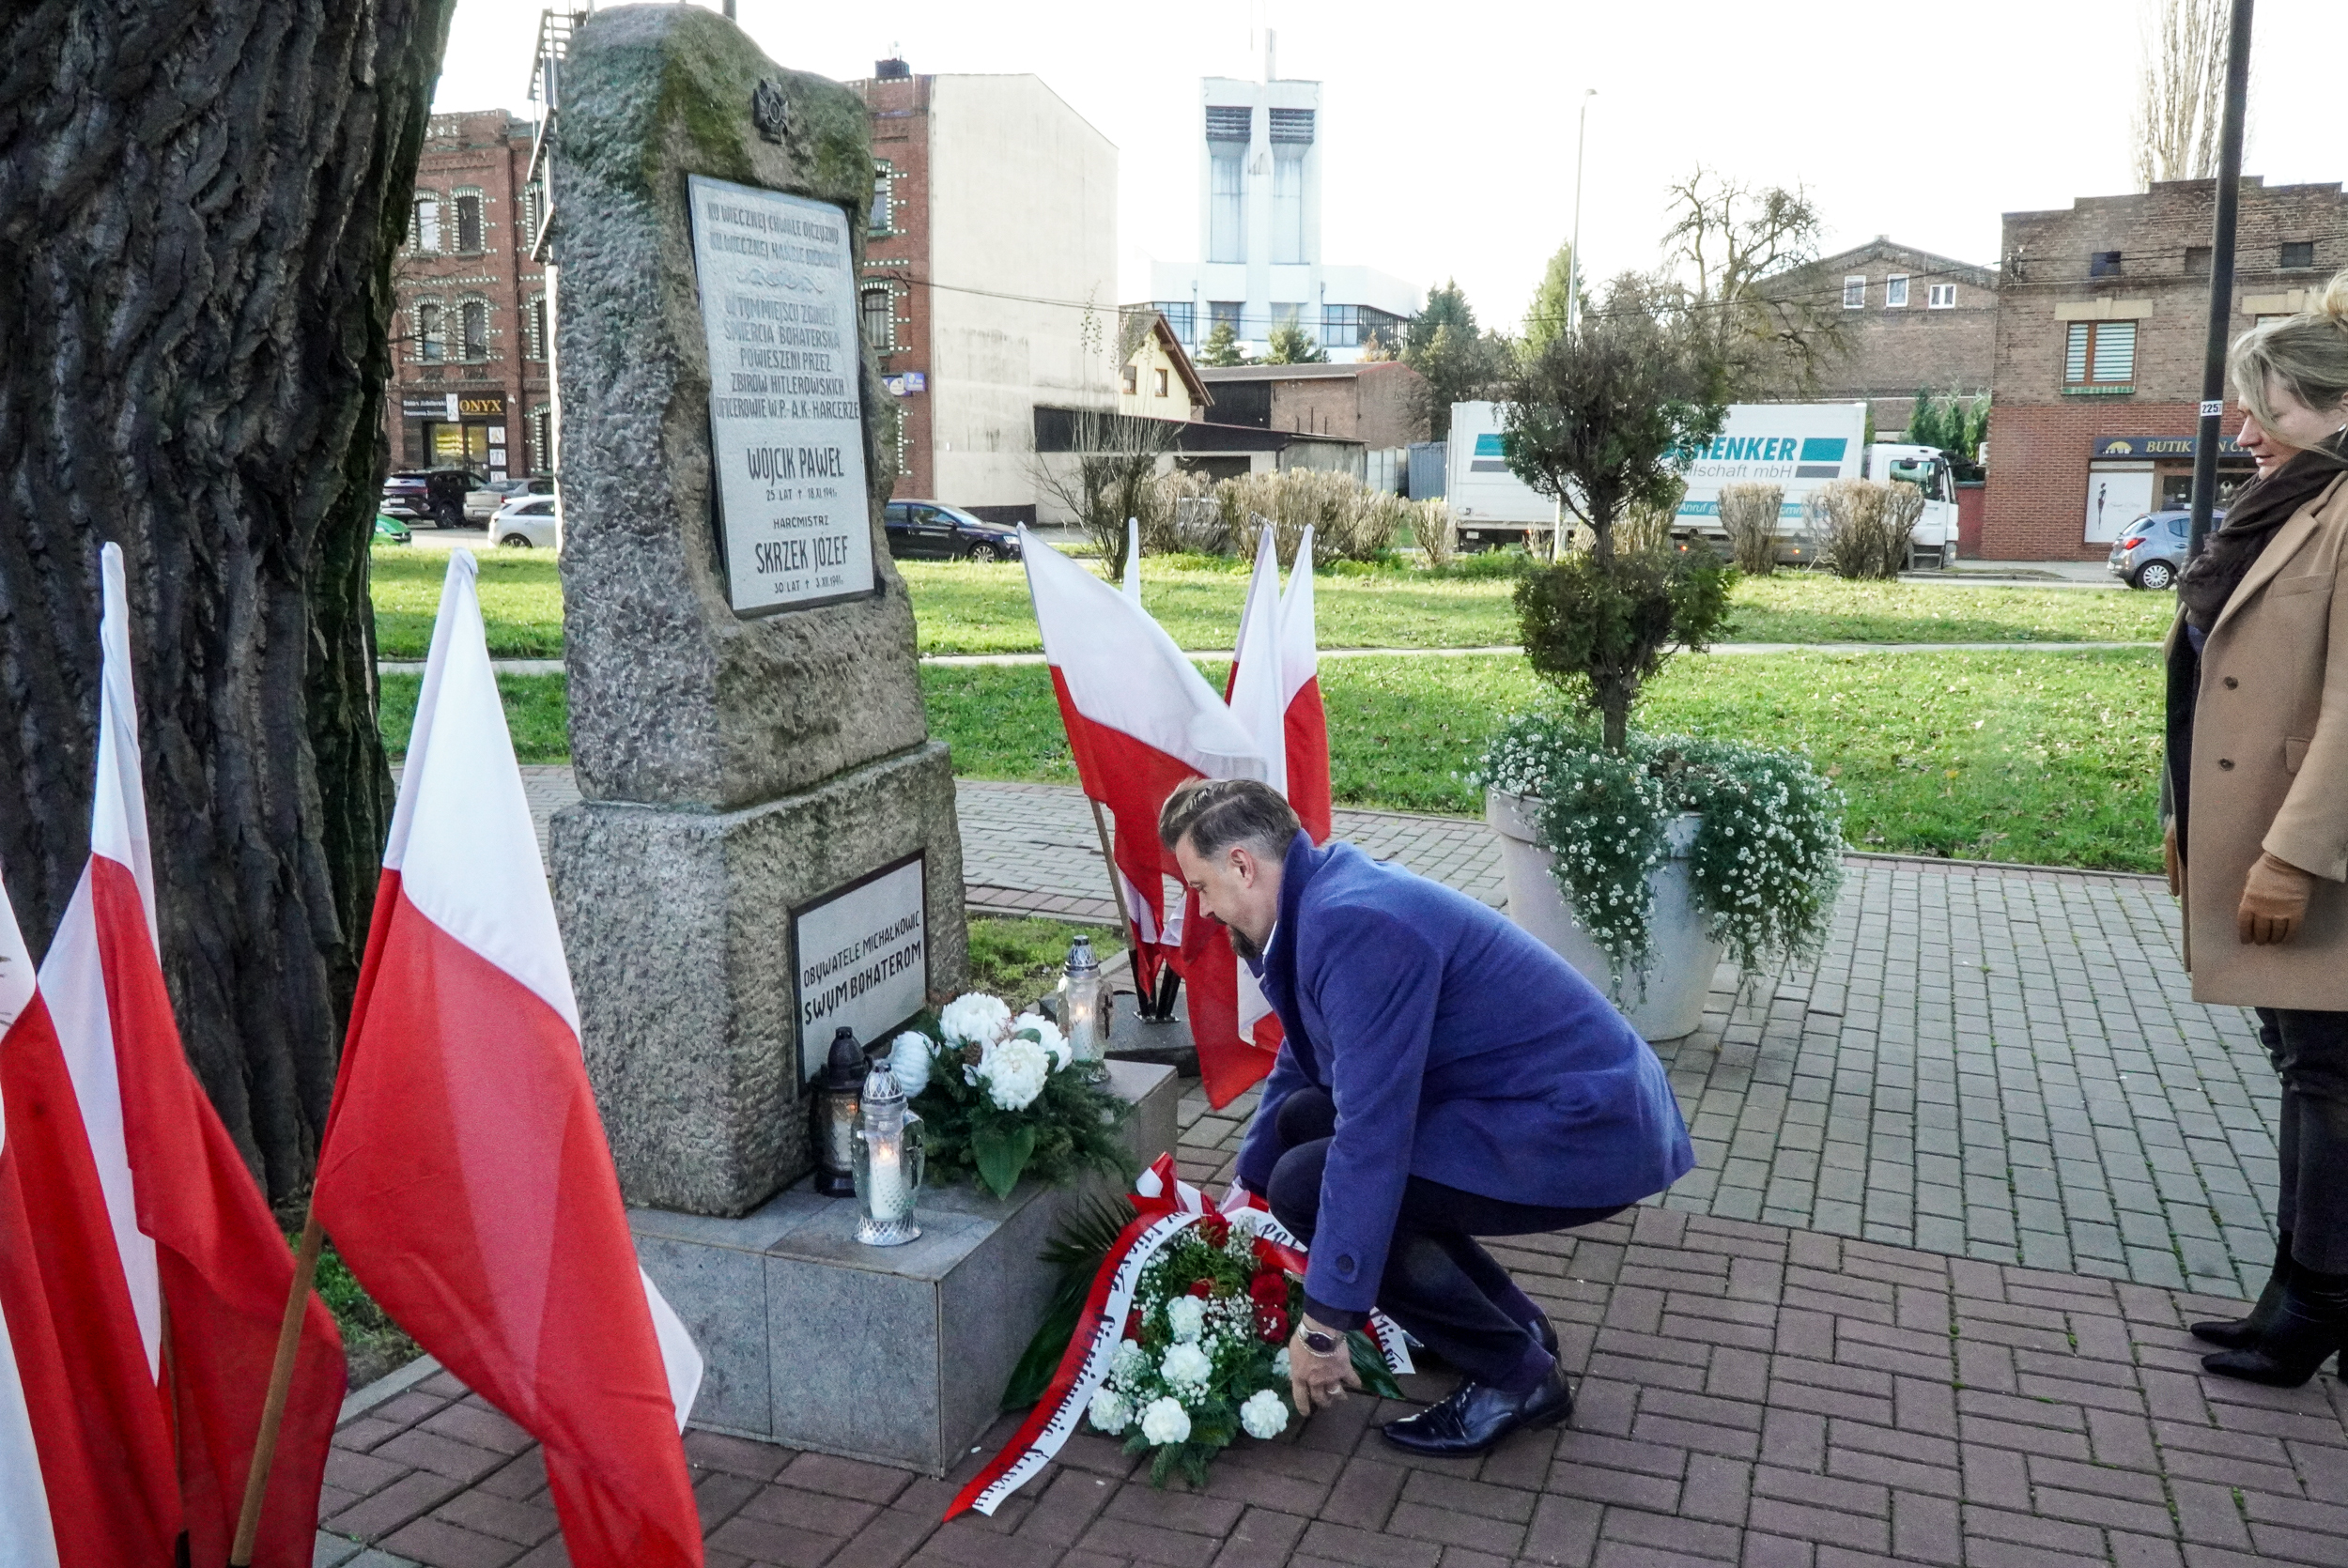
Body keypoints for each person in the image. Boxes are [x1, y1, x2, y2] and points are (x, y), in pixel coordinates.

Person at [1160, 776, 1692, 1455]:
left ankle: (1518, 1376)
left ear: (1242, 864)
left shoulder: (1353, 926)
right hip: (1539, 1104)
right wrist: (1247, 1185)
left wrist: (1324, 1327)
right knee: (1300, 1128)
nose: (1202, 910)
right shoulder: (1323, 899)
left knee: (1310, 1185)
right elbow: (1306, 1050)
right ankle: (1514, 1327)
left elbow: (1372, 1138)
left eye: (1200, 887)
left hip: (1585, 1129)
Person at [2164, 270, 2348, 1388]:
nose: (2244, 431)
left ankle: (2314, 1302)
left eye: (2262, 407)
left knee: (2328, 1074)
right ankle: (2299, 1288)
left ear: (2334, 404)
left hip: (2315, 852)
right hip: (2255, 830)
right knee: (2307, 1065)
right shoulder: (2297, 498)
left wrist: (2287, 854)